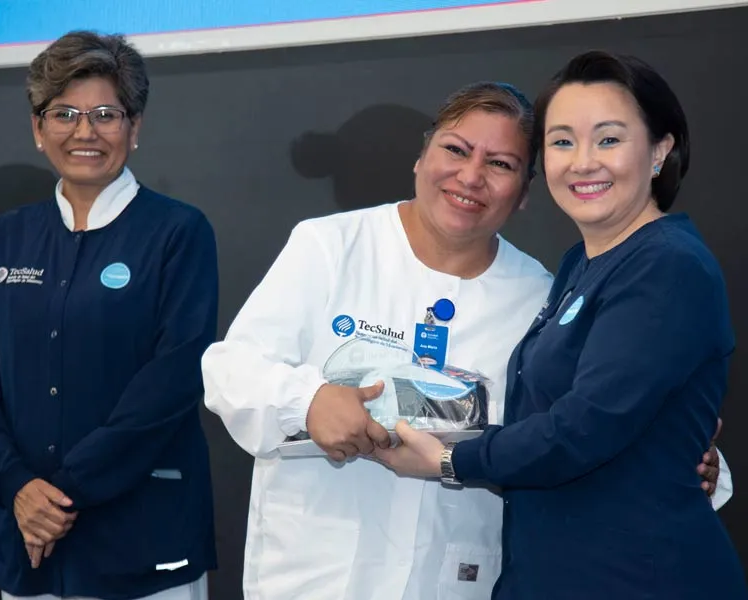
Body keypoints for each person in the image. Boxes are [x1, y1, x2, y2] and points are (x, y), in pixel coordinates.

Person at [201, 80, 726, 599]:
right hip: (321, 573)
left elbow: (587, 421)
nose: (471, 176)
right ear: (420, 158)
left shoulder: (543, 295)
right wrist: (306, 401)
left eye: (501, 164)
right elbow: (230, 368)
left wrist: (701, 464)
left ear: (525, 193)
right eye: (455, 150)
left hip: (459, 578)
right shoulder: (330, 245)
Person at [373, 50, 747, 599]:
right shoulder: (581, 264)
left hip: (640, 577)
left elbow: (586, 426)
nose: (583, 161)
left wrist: (452, 460)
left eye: (610, 139)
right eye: (562, 140)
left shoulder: (669, 265)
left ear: (660, 151)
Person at [0, 31, 218, 600]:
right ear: (37, 128)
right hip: (29, 543)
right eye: (64, 114)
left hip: (142, 540)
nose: (84, 131)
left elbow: (172, 380)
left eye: (105, 114)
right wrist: (18, 486)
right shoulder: (10, 234)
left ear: (135, 126)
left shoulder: (177, 232)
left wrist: (61, 493)